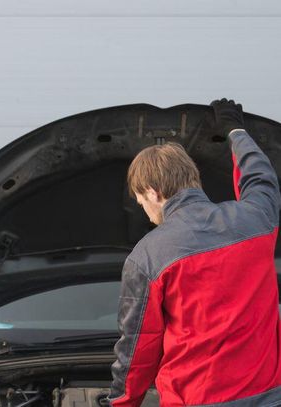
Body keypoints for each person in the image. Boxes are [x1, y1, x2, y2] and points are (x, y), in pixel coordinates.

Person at [107, 99, 281, 406]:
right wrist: (235, 130)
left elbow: (138, 348)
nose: (146, 212)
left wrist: (122, 402)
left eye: (141, 201)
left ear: (152, 192)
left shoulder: (148, 256)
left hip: (197, 399)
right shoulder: (256, 219)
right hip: (267, 395)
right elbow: (261, 178)